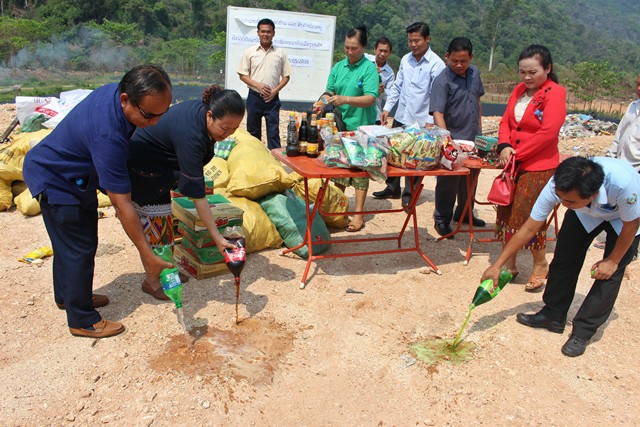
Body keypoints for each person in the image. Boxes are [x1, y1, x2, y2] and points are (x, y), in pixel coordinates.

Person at [22, 65, 174, 338]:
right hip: (57, 179)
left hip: (73, 175)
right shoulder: (109, 136)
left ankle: (67, 296)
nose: (155, 123)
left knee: (69, 243)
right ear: (126, 99)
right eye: (149, 115)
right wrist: (147, 255)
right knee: (78, 246)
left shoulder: (113, 92)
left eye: (161, 114)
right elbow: (121, 204)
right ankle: (82, 319)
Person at [482, 157, 640, 357]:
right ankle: (553, 315)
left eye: (570, 201)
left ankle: (583, 331)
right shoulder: (558, 185)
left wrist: (612, 261)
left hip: (623, 218)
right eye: (561, 198)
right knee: (564, 259)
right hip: (584, 213)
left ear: (594, 194)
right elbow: (530, 227)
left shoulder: (624, 186)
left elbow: (631, 225)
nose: (563, 204)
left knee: (609, 274)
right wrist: (498, 265)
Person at [128, 85, 244, 300]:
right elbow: (197, 194)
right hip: (143, 169)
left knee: (162, 226)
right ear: (210, 115)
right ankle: (153, 281)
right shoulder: (192, 135)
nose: (228, 134)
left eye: (234, 129)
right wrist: (217, 237)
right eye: (225, 128)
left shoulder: (203, 114)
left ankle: (166, 271)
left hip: (159, 168)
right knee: (156, 226)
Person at [494, 44, 566, 292]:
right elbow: (505, 121)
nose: (526, 77)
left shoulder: (555, 93)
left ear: (547, 68)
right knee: (508, 212)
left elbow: (548, 133)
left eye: (532, 72)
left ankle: (540, 264)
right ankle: (510, 264)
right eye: (522, 72)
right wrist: (503, 146)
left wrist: (516, 155)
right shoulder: (519, 90)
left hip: (538, 166)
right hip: (513, 162)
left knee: (529, 216)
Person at [373, 22, 445, 208]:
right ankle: (392, 187)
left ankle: (409, 193)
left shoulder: (436, 64)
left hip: (421, 119)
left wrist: (431, 121)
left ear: (427, 39)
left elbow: (436, 95)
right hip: (402, 115)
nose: (413, 45)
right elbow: (397, 86)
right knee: (394, 151)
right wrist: (388, 108)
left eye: (417, 41)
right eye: (410, 41)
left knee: (416, 157)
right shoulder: (406, 59)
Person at [317, 26, 378, 232]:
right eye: (347, 48)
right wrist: (322, 101)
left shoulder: (369, 69)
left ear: (363, 47)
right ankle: (339, 211)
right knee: (339, 170)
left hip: (362, 128)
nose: (350, 52)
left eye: (355, 48)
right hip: (340, 127)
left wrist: (346, 99)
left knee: (360, 171)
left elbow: (371, 97)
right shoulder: (339, 67)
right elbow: (329, 91)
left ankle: (359, 214)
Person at [430, 37, 486, 238]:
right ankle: (442, 220)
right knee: (449, 182)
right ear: (447, 57)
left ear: (471, 57)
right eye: (455, 60)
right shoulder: (442, 81)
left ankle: (464, 213)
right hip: (453, 139)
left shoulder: (475, 73)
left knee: (471, 179)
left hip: (472, 138)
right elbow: (438, 112)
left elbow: (477, 101)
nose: (459, 65)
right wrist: (447, 141)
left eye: (464, 60)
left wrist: (479, 131)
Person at [236, 18, 291, 150]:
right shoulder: (250, 52)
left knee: (273, 132)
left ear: (273, 33)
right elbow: (242, 75)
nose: (265, 34)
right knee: (253, 132)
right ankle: (254, 157)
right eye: (263, 31)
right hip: (254, 97)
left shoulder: (280, 53)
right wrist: (257, 85)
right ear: (258, 33)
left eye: (268, 32)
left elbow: (286, 76)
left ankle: (275, 161)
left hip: (272, 99)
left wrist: (274, 91)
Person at [605, 74, 640, 169]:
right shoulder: (632, 106)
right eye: (637, 84)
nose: (639, 88)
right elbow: (620, 133)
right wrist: (611, 155)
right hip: (620, 163)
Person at [364, 37, 395, 125]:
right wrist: (370, 70)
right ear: (375, 49)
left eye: (386, 51)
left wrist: (382, 91)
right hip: (357, 112)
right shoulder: (365, 59)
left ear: (390, 53)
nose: (382, 54)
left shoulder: (390, 73)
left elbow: (390, 97)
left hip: (375, 114)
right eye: (380, 50)